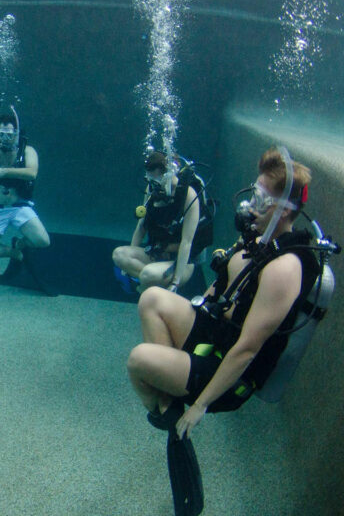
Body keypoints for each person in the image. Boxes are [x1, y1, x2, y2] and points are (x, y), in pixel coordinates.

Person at [126, 147, 321, 437]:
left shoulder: (284, 269)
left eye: (262, 200)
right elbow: (221, 286)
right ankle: (170, 402)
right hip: (217, 333)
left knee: (139, 360)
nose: (251, 205)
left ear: (285, 210)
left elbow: (248, 349)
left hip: (232, 372)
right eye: (253, 194)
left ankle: (174, 399)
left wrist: (200, 407)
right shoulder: (258, 238)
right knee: (151, 297)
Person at [0, 108, 50, 281]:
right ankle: (14, 252)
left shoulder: (27, 150)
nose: (5, 139)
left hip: (19, 207)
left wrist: (4, 172)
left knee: (43, 241)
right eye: (2, 134)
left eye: (10, 135)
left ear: (17, 133)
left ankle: (20, 243)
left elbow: (32, 172)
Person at [113, 151, 202, 293]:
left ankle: (147, 286)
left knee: (148, 274)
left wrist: (175, 282)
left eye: (157, 179)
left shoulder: (188, 195)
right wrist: (126, 268)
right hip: (157, 253)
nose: (154, 185)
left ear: (168, 174)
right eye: (150, 180)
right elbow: (141, 226)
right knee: (119, 254)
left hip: (181, 263)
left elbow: (187, 242)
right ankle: (151, 282)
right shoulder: (152, 189)